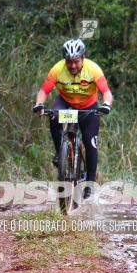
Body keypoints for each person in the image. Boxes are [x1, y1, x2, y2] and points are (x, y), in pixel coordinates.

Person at [33, 38, 113, 201]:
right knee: (53, 116)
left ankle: (89, 185)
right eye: (69, 62)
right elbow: (44, 90)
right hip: (66, 102)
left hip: (88, 106)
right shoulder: (57, 69)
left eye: (76, 62)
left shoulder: (93, 69)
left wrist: (106, 105)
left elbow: (106, 92)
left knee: (91, 144)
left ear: (83, 58)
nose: (73, 66)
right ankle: (60, 154)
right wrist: (39, 104)